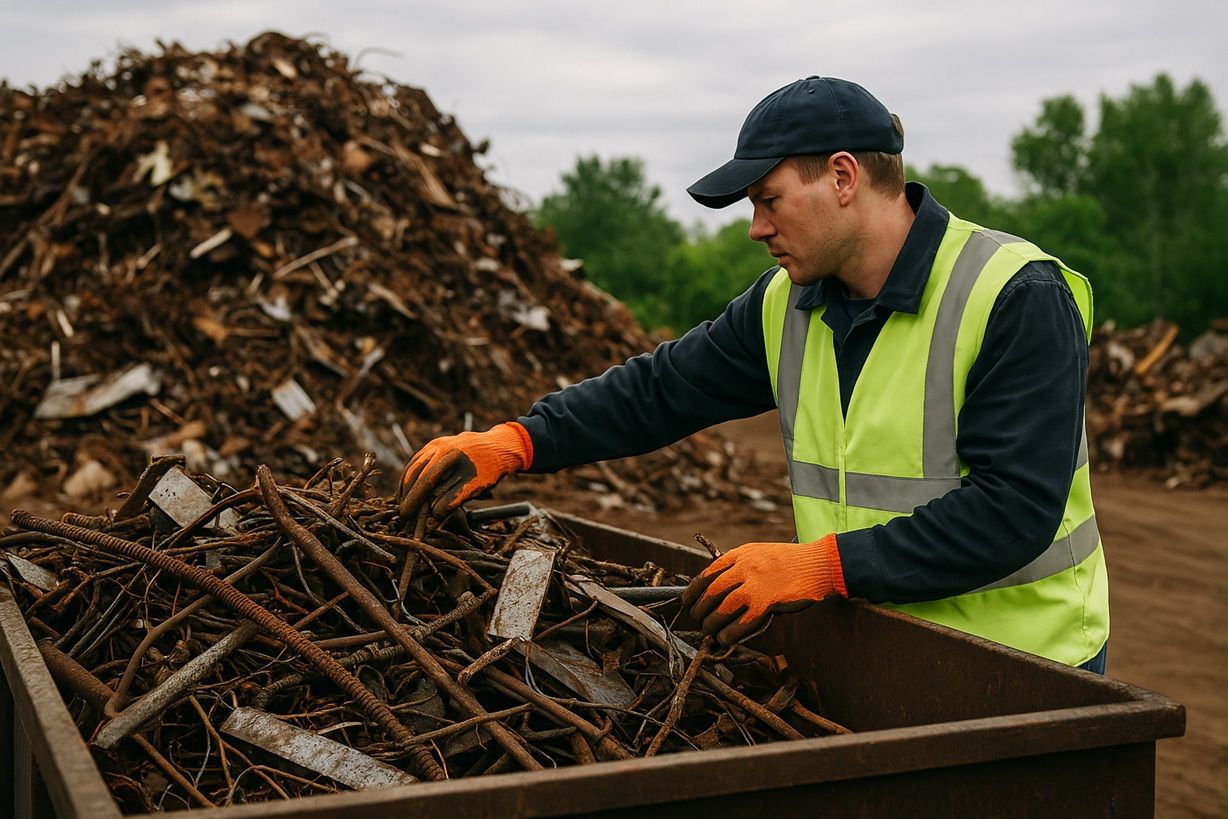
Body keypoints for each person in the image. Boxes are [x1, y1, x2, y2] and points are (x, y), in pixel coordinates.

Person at [398, 76, 1109, 673]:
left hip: (1025, 669)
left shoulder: (1014, 294)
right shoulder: (788, 303)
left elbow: (1013, 510)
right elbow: (661, 390)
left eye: (768, 200)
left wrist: (819, 567)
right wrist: (520, 439)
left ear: (841, 177)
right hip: (879, 648)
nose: (755, 228)